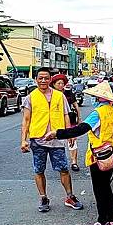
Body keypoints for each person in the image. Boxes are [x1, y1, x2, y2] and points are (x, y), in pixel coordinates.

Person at [44, 81, 113, 225]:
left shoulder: (98, 113)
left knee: (100, 190)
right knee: (106, 189)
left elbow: (81, 129)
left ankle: (103, 222)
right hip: (110, 155)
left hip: (98, 157)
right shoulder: (112, 111)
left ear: (98, 97)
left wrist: (58, 133)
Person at [20, 67, 83, 213]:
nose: (43, 80)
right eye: (40, 78)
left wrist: (69, 134)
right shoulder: (30, 97)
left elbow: (66, 115)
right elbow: (26, 120)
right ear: (36, 79)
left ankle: (70, 196)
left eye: (46, 78)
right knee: (39, 170)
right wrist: (23, 140)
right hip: (38, 139)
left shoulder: (59, 96)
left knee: (63, 169)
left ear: (50, 79)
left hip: (57, 139)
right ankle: (43, 198)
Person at [50, 74, 82, 171]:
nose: (61, 85)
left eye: (62, 83)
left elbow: (76, 106)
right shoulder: (51, 94)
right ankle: (59, 162)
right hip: (57, 121)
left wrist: (79, 118)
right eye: (58, 83)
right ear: (54, 84)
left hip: (70, 119)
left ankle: (74, 162)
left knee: (72, 140)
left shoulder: (68, 93)